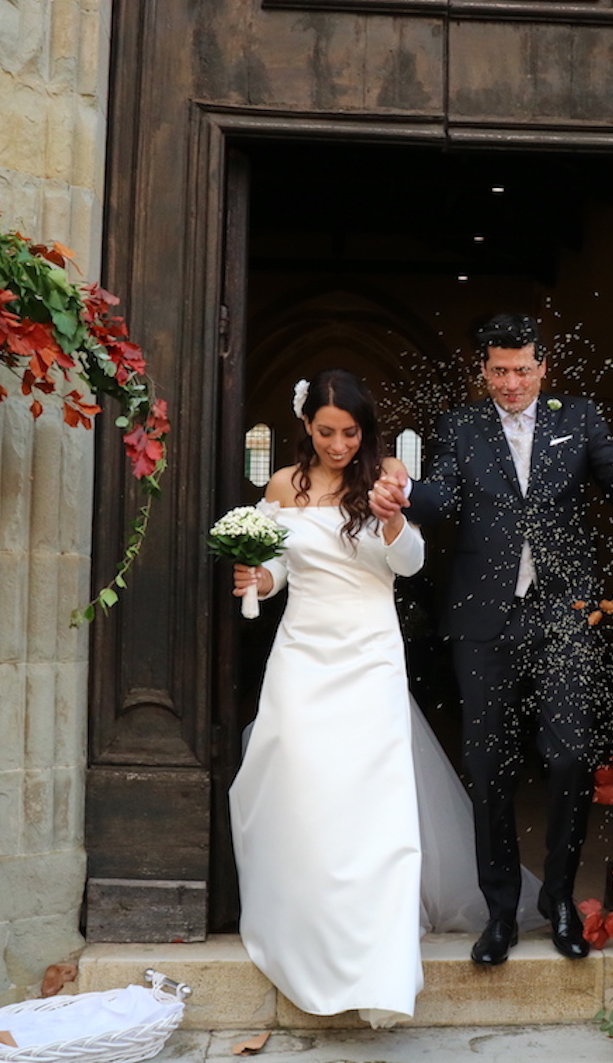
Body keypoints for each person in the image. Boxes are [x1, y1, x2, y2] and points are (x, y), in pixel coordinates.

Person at [370, 312, 613, 967]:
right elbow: (441, 497)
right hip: (483, 619)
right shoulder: (461, 426)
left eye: (521, 369)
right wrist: (406, 492)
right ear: (484, 369)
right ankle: (499, 912)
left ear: (542, 367)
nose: (510, 382)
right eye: (498, 370)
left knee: (567, 758)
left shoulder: (578, 418)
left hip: (561, 616)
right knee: (488, 767)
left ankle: (558, 901)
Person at [228, 369, 425, 1028]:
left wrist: (395, 523)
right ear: (306, 427)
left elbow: (410, 565)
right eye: (326, 431)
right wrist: (260, 573)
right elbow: (281, 565)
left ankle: (376, 960)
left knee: (370, 803)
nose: (339, 444)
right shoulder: (285, 484)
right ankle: (305, 929)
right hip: (303, 654)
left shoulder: (387, 477)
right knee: (300, 788)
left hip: (369, 653)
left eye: (350, 432)